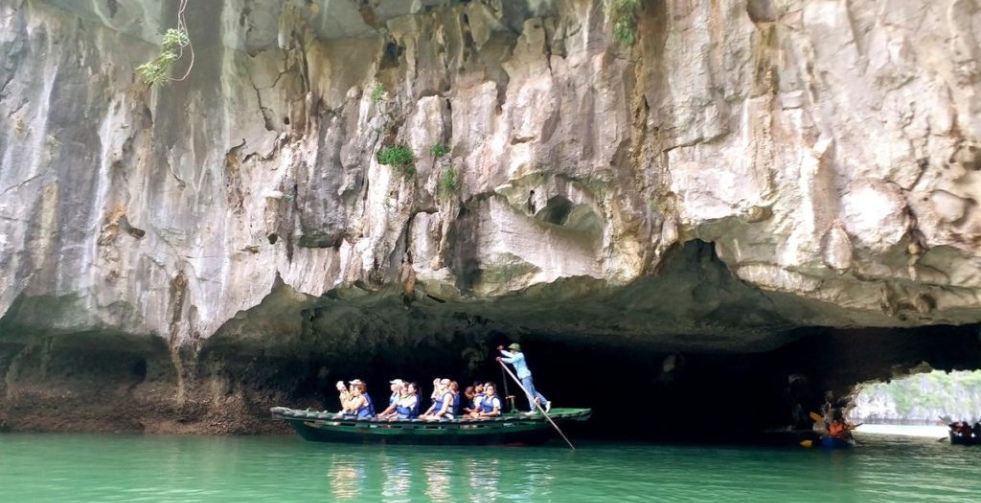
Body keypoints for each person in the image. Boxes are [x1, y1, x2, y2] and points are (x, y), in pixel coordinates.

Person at [497, 343, 550, 413]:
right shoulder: (515, 355)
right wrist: (501, 351)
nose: (510, 351)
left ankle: (533, 409)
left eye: (511, 349)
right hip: (525, 376)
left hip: (525, 376)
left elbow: (512, 360)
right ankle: (546, 402)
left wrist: (502, 359)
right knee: (533, 392)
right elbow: (509, 355)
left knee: (529, 393)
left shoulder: (520, 355)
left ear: (515, 350)